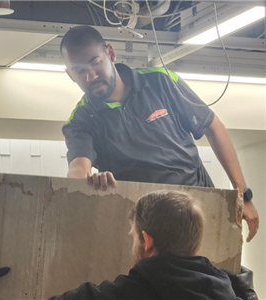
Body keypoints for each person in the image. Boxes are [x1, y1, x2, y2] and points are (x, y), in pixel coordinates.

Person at [60, 25, 258, 242]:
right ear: (70, 75)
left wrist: (243, 196)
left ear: (111, 53)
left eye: (95, 63)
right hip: (145, 226)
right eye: (79, 71)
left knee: (216, 275)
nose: (90, 76)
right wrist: (86, 181)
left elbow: (213, 127)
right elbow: (78, 166)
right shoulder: (81, 120)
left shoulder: (161, 81)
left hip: (198, 208)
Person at [0, 191, 258, 300]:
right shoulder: (223, 289)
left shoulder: (114, 296)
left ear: (147, 240)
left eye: (132, 234)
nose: (132, 240)